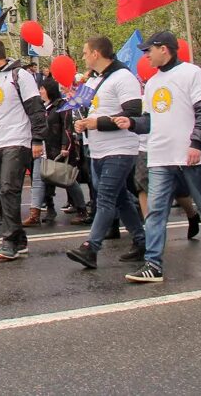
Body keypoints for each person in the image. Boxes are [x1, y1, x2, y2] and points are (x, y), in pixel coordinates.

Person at [114, 31, 201, 283]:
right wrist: (133, 123)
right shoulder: (152, 83)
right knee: (156, 211)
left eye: (149, 50)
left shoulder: (193, 74)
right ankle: (153, 264)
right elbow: (150, 120)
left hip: (190, 156)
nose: (146, 55)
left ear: (165, 49)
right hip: (160, 156)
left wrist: (196, 143)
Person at [65, 36, 146, 270]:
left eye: (84, 52)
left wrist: (97, 123)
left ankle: (91, 247)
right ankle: (141, 241)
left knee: (106, 197)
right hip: (99, 149)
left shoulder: (123, 77)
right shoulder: (96, 80)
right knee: (120, 198)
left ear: (96, 53)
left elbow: (132, 113)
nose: (82, 57)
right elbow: (90, 109)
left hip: (120, 149)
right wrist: (83, 122)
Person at [0, 39, 47, 262]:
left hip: (17, 141)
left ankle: (9, 241)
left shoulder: (20, 75)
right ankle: (19, 240)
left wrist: (38, 139)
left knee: (8, 190)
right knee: (0, 193)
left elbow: (35, 107)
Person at [35, 77, 88, 224]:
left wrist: (65, 147)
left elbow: (67, 128)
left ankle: (82, 209)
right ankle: (50, 209)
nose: (40, 91)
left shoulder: (62, 106)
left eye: (42, 89)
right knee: (45, 179)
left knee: (68, 180)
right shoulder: (43, 106)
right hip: (46, 148)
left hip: (60, 149)